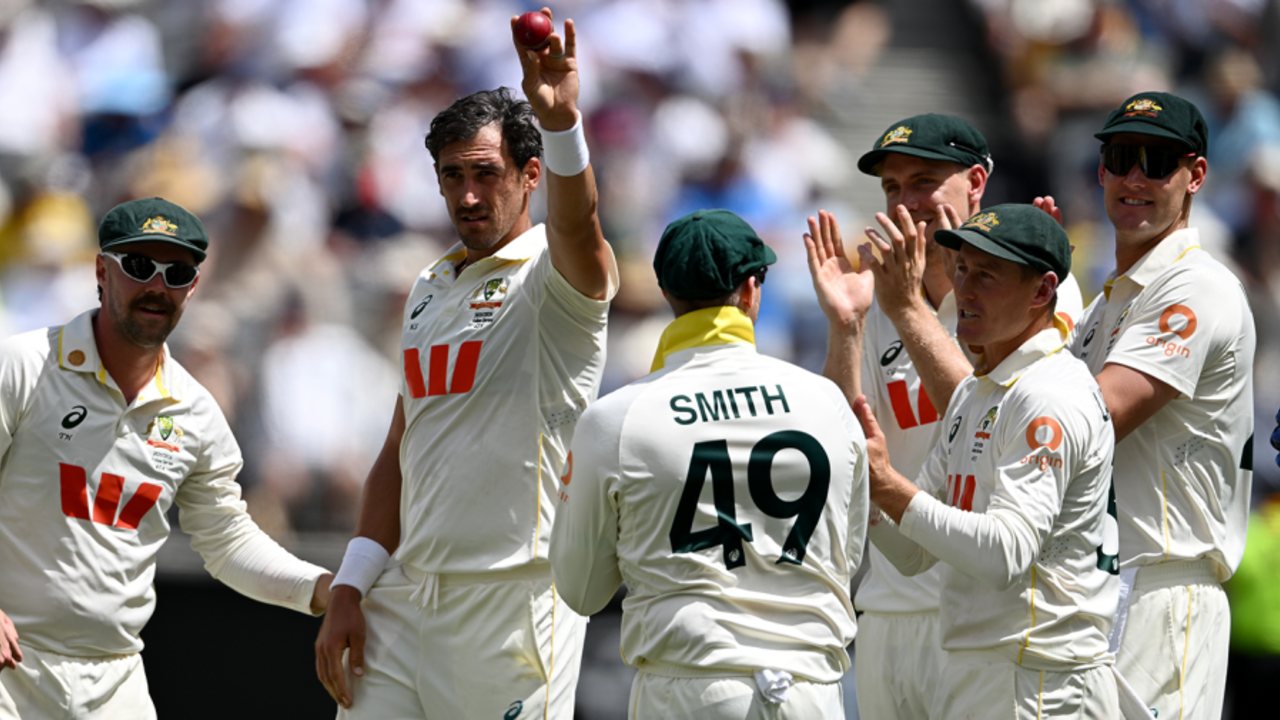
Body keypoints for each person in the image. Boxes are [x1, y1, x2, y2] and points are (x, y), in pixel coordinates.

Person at [313, 10, 617, 720]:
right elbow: (400, 442)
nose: (468, 195)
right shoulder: (428, 284)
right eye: (452, 176)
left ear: (530, 173)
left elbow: (579, 225)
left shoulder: (555, 276)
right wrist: (354, 584)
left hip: (514, 602)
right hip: (405, 596)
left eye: (486, 174)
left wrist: (563, 121)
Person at [0, 196, 333, 719]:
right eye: (138, 266)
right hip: (9, 670)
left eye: (177, 273)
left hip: (115, 683)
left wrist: (323, 590)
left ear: (194, 287)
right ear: (101, 272)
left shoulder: (198, 414)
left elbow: (226, 540)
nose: (157, 286)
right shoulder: (21, 366)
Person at [803, 113, 1084, 720]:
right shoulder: (877, 293)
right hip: (889, 598)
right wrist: (847, 328)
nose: (905, 203)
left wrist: (907, 309)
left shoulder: (1029, 290)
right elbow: (845, 439)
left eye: (923, 181)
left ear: (976, 182)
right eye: (891, 187)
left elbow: (988, 411)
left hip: (986, 612)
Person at [550, 209, 868, 719]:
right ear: (750, 289)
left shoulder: (616, 418)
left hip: (688, 688)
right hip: (812, 691)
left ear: (666, 292)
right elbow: (845, 558)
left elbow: (581, 590)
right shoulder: (826, 401)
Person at [850, 203, 1119, 718]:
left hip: (1040, 681)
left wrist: (889, 485)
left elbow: (1004, 556)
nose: (965, 290)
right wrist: (869, 483)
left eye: (988, 275)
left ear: (1043, 292)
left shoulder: (1047, 395)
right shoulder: (977, 392)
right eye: (963, 269)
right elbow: (913, 557)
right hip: (985, 669)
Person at [1065, 90, 1256, 720]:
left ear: (1196, 175)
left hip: (1164, 590)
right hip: (1106, 587)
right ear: (1102, 171)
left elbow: (1083, 425)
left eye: (1158, 160)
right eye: (1122, 157)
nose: (1136, 177)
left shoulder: (1198, 285)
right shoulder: (1104, 305)